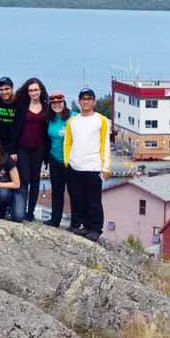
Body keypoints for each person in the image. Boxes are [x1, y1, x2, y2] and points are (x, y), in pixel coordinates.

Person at [64, 87, 111, 242]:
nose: (86, 102)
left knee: (93, 200)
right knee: (78, 198)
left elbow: (105, 144)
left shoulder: (102, 120)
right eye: (83, 99)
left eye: (89, 99)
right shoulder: (72, 121)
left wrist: (106, 167)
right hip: (75, 165)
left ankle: (96, 228)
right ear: (79, 101)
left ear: (94, 101)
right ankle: (83, 225)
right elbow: (68, 143)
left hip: (93, 166)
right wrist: (67, 161)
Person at [12, 77, 50, 221]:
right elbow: (15, 128)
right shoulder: (21, 106)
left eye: (36, 90)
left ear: (41, 91)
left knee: (36, 181)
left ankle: (30, 212)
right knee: (24, 180)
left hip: (39, 148)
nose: (33, 93)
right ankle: (19, 208)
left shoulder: (46, 107)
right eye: (31, 90)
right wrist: (13, 150)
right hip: (22, 147)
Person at [46, 91, 75, 229]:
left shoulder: (74, 117)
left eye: (59, 102)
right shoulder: (49, 119)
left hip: (70, 160)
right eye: (54, 103)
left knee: (73, 191)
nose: (57, 105)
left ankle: (75, 222)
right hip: (54, 158)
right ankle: (55, 219)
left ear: (64, 103)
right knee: (56, 191)